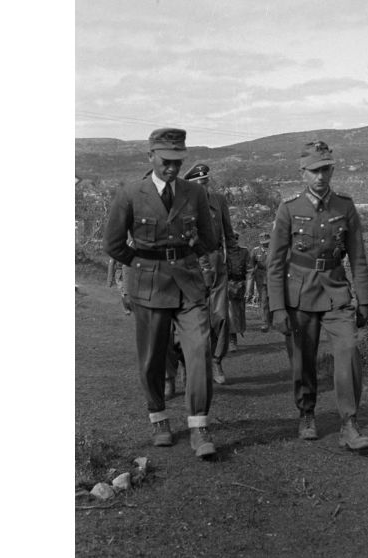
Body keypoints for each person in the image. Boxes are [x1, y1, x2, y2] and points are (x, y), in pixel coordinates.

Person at [103, 128, 218, 458]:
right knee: (152, 356)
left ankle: (199, 425)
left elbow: (209, 240)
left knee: (199, 349)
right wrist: (141, 263)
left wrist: (191, 251)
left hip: (188, 284)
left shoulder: (193, 194)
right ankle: (159, 418)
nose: (172, 168)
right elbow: (113, 244)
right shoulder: (130, 193)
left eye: (178, 161)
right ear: (150, 156)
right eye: (166, 161)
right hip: (149, 285)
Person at [267, 140, 368, 450]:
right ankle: (306, 413)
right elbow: (274, 262)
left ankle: (350, 423)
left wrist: (364, 300)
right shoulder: (289, 208)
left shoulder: (345, 206)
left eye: (325, 169)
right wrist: (277, 308)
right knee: (302, 359)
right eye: (314, 171)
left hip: (336, 291)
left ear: (332, 169)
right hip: (298, 293)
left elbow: (358, 257)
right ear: (303, 173)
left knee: (348, 350)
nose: (320, 177)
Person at [183, 163, 236, 384]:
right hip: (192, 265)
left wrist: (232, 264)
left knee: (221, 316)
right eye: (200, 184)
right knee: (193, 319)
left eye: (206, 182)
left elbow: (229, 235)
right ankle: (189, 367)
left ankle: (216, 361)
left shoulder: (219, 201)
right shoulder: (183, 205)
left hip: (217, 263)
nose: (204, 187)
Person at [226, 232, 251, 352]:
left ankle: (231, 340)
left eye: (236, 239)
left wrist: (248, 288)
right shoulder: (223, 252)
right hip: (225, 286)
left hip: (239, 286)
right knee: (229, 315)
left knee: (237, 315)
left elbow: (250, 270)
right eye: (231, 239)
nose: (234, 241)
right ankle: (231, 341)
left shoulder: (244, 252)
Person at [246, 232, 271, 332]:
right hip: (261, 279)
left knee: (274, 300)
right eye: (263, 242)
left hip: (274, 278)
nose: (265, 244)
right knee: (264, 301)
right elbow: (250, 268)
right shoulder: (255, 251)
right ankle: (265, 322)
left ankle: (273, 321)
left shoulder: (274, 250)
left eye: (267, 242)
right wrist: (250, 286)